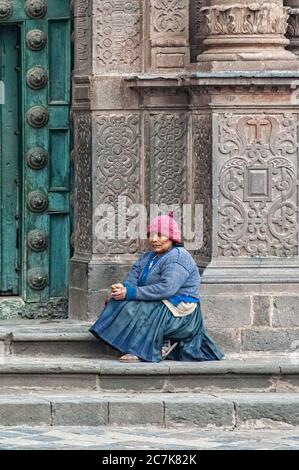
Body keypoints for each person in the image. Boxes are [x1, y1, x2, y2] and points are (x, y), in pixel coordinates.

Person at [89, 213, 224, 363]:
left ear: (172, 237)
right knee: (119, 301)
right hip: (160, 302)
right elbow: (132, 279)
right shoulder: (148, 257)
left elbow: (167, 289)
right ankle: (140, 342)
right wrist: (122, 288)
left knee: (142, 309)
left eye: (160, 235)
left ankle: (143, 349)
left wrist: (131, 293)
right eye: (151, 235)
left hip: (180, 312)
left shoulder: (179, 257)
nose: (154, 239)